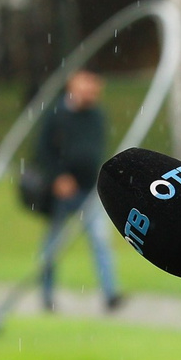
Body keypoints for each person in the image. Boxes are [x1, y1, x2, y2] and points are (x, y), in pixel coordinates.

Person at [34, 68, 121, 312]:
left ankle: (111, 294)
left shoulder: (97, 115)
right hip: (62, 193)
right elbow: (42, 151)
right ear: (73, 85)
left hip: (91, 190)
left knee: (101, 241)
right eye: (87, 87)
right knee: (53, 245)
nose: (92, 93)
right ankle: (47, 295)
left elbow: (95, 150)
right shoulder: (56, 115)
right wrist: (58, 177)